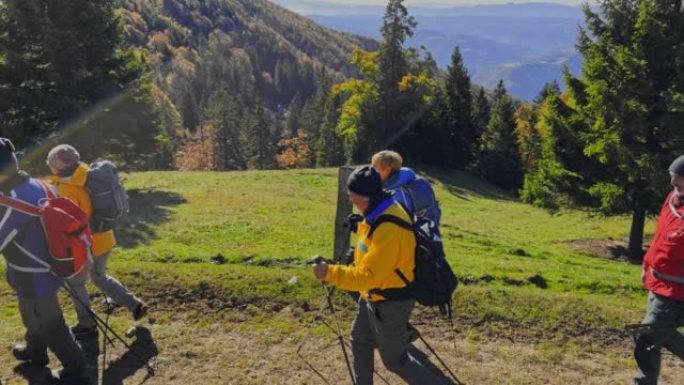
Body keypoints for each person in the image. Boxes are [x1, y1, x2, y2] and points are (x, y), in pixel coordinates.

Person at [313, 166, 445, 385]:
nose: (349, 196)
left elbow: (368, 276)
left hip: (391, 302)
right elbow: (368, 257)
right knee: (360, 340)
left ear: (364, 196)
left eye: (351, 192)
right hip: (373, 297)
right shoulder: (376, 211)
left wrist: (329, 272)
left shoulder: (388, 227)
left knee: (395, 361)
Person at [0, 138, 89, 383]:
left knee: (50, 322)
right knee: (30, 313)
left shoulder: (10, 201)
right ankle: (35, 352)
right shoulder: (36, 184)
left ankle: (76, 365)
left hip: (34, 272)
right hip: (48, 265)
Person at [46, 144, 147, 337]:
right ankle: (135, 304)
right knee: (99, 276)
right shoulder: (90, 175)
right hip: (106, 237)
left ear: (57, 168)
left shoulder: (67, 189)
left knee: (76, 283)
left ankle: (87, 325)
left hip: (86, 244)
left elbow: (71, 222)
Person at [634, 155, 684, 384]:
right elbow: (659, 236)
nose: (673, 185)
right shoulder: (673, 199)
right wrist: (647, 264)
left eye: (678, 181)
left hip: (676, 290)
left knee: (648, 335)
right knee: (651, 336)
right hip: (658, 283)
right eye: (672, 180)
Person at [371, 150, 441, 227]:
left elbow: (402, 221)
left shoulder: (398, 193)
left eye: (374, 167)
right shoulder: (385, 185)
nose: (370, 170)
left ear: (387, 170)